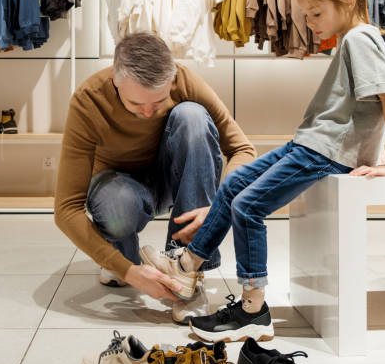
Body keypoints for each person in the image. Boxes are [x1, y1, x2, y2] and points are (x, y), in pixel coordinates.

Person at [140, 0, 385, 342]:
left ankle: (252, 309)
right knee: (232, 186)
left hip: (325, 152)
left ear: (347, 2)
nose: (310, 24)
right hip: (311, 144)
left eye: (316, 14)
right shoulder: (352, 39)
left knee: (247, 206)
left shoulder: (360, 39)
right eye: (307, 16)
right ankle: (187, 266)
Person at [54, 31, 256, 323]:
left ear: (171, 81)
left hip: (172, 178)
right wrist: (127, 270)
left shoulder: (185, 80)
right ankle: (121, 255)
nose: (148, 112)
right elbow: (66, 209)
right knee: (117, 203)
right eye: (136, 104)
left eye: (158, 102)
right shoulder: (88, 100)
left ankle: (188, 267)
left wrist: (219, 204)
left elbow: (243, 149)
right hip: (118, 189)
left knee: (193, 117)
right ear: (115, 80)